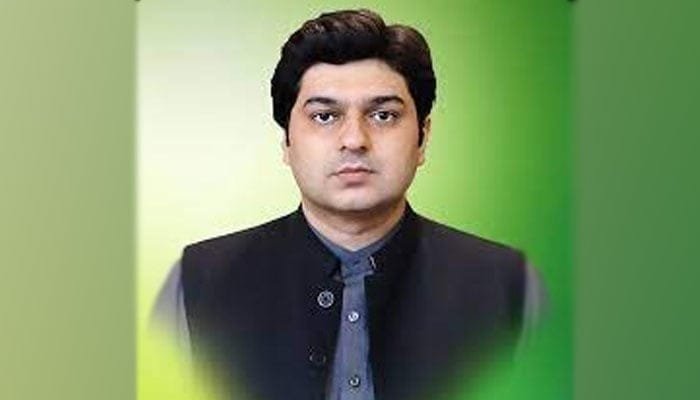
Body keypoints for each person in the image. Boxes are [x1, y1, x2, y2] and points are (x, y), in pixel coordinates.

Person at [153, 8, 547, 400]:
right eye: (325, 116)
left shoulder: (510, 287)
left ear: (423, 138)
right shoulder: (196, 284)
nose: (355, 139)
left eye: (383, 115)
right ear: (286, 141)